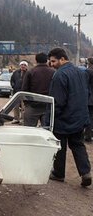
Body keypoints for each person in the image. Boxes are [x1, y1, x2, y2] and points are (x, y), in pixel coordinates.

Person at [47, 48, 91, 187]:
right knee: (78, 145)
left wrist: (50, 119)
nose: (52, 64)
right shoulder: (81, 72)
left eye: (53, 61)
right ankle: (86, 173)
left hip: (63, 118)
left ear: (62, 59)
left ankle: (59, 174)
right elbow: (87, 93)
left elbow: (57, 101)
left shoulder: (59, 75)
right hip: (79, 117)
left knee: (60, 146)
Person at [22, 53, 55, 126]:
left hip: (32, 106)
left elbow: (24, 89)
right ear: (47, 60)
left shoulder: (30, 72)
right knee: (47, 131)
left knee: (29, 131)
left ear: (36, 61)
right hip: (48, 106)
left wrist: (27, 103)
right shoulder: (53, 72)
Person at [84, 57, 93, 142]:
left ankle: (88, 135)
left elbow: (84, 85)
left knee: (89, 117)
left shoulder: (88, 71)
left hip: (90, 98)